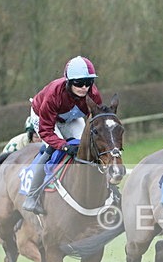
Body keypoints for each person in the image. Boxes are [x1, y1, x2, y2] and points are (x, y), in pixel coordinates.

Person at [22, 56, 103, 214]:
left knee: (88, 147)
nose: (84, 87)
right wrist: (64, 146)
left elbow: (96, 120)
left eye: (88, 82)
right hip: (43, 118)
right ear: (68, 82)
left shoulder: (93, 94)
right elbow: (46, 131)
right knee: (51, 149)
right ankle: (31, 197)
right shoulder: (54, 94)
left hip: (70, 118)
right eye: (79, 83)